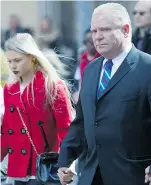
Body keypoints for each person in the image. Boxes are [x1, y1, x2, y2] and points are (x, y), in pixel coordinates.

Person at [57, 2, 151, 185]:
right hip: (90, 175)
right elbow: (82, 121)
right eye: (94, 31)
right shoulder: (91, 70)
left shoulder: (147, 68)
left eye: (105, 30)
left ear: (125, 30)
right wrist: (65, 159)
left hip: (132, 175)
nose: (97, 37)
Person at [1, 33, 73, 185]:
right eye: (10, 61)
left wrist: (67, 165)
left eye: (17, 60)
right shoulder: (9, 90)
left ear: (32, 57)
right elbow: (7, 132)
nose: (13, 66)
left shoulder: (52, 86)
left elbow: (66, 130)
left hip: (45, 169)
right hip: (17, 171)